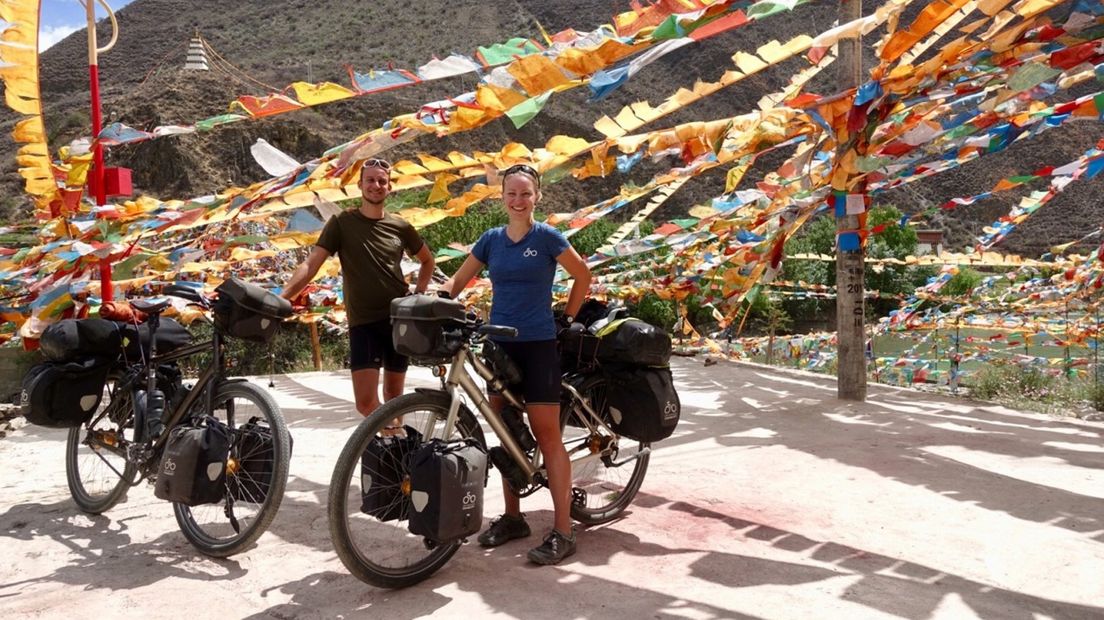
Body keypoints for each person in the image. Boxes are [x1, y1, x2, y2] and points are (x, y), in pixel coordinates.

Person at [441, 163, 592, 566]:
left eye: (525, 193)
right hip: (499, 348)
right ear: (502, 197)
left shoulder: (547, 237)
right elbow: (455, 283)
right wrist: (434, 297)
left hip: (539, 345)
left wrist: (567, 319)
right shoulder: (491, 241)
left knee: (546, 436)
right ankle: (513, 517)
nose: (518, 200)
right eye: (511, 193)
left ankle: (563, 530)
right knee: (505, 431)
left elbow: (583, 275)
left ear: (536, 197)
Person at [282, 158, 435, 419]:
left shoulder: (401, 226)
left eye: (381, 181)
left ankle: (395, 449)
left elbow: (427, 261)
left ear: (389, 187)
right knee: (365, 403)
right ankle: (389, 438)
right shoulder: (342, 223)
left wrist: (418, 294)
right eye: (370, 180)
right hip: (363, 322)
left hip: (398, 321)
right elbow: (311, 264)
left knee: (394, 398)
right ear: (360, 185)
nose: (376, 185)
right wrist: (283, 299)